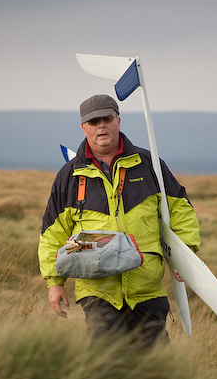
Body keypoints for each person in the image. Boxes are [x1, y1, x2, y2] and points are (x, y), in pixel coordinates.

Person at [38, 94, 200, 347]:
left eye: (107, 118)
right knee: (106, 358)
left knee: (155, 361)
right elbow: (52, 232)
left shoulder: (149, 165)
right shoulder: (69, 175)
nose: (101, 126)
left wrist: (184, 254)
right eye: (93, 122)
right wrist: (54, 282)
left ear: (118, 121)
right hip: (97, 288)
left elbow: (180, 209)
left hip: (146, 287)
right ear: (84, 128)